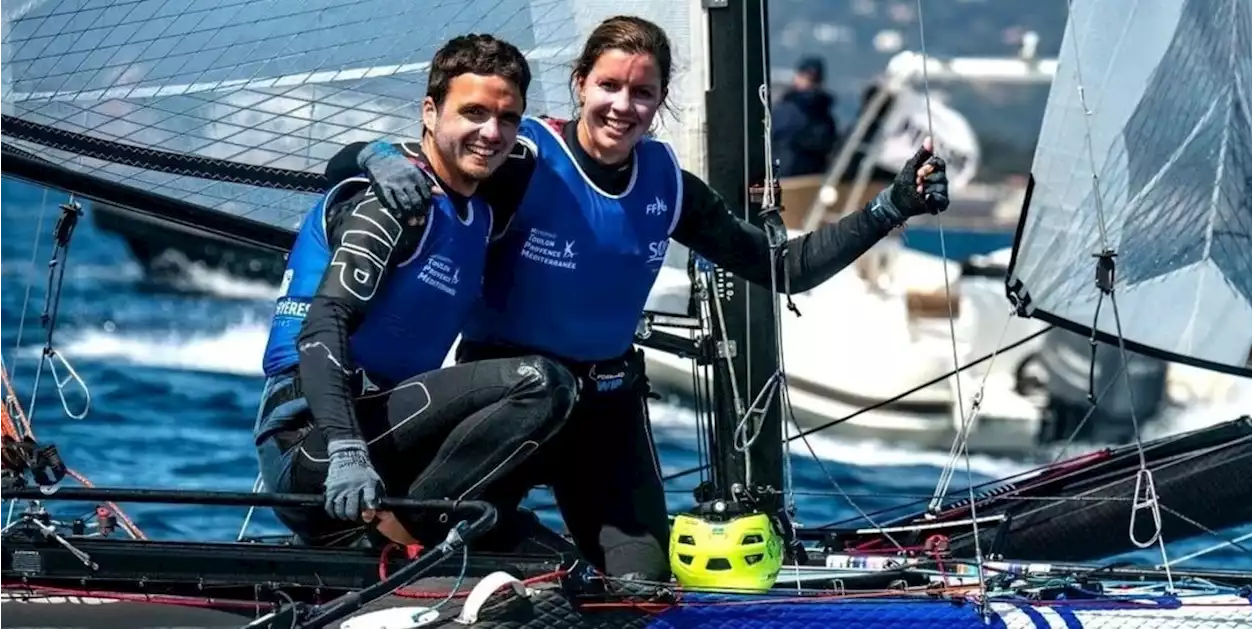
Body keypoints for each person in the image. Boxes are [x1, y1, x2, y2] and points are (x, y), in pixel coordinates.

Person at [327, 15, 950, 578]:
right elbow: (407, 163)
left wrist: (892, 205)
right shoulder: (523, 157)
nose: (623, 106)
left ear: (659, 103)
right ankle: (374, 554)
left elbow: (786, 265)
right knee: (485, 562)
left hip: (606, 408)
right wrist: (377, 154)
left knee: (641, 589)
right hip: (514, 401)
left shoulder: (667, 184)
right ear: (579, 85)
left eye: (642, 92)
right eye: (609, 87)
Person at [253, 33, 578, 549]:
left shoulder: (483, 201)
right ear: (430, 112)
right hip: (315, 448)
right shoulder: (394, 200)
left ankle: (414, 537)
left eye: (508, 119)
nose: (491, 132)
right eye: (472, 113)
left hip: (394, 436)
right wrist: (346, 450)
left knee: (553, 554)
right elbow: (321, 328)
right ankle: (408, 540)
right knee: (541, 383)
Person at [771, 56, 839, 177]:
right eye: (804, 77)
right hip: (789, 177)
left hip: (806, 178)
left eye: (812, 79)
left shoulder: (824, 116)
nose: (807, 83)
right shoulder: (784, 110)